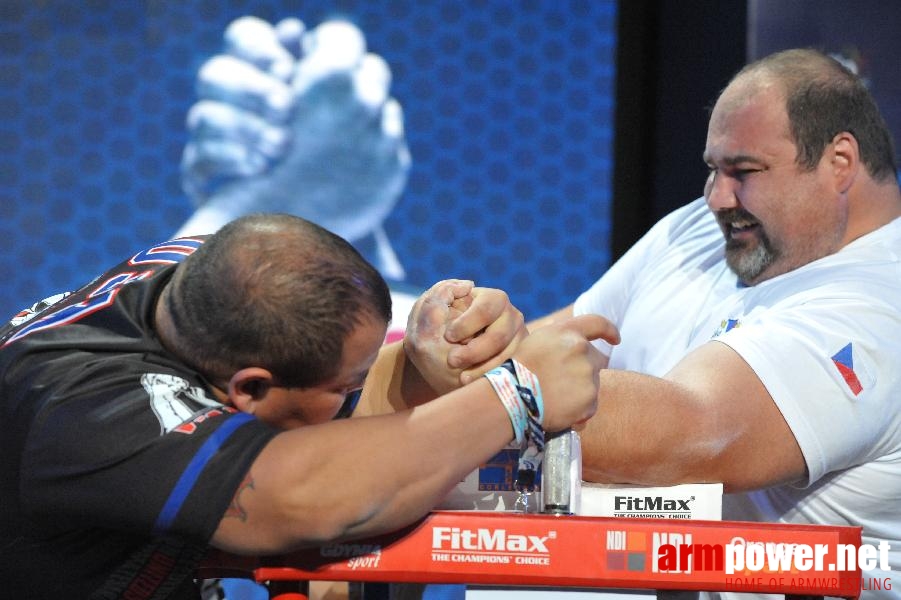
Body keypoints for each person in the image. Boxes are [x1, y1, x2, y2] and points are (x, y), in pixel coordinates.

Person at [0, 213, 615, 599]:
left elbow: (338, 406)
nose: (359, 391)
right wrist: (517, 392)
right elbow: (300, 496)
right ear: (248, 389)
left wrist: (430, 340)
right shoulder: (86, 413)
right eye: (346, 387)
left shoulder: (218, 278)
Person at [529, 48, 901, 596]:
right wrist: (462, 350)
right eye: (713, 169)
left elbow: (685, 437)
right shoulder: (701, 232)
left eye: (744, 172)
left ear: (839, 162)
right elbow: (563, 343)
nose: (716, 198)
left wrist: (484, 394)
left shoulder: (877, 308)